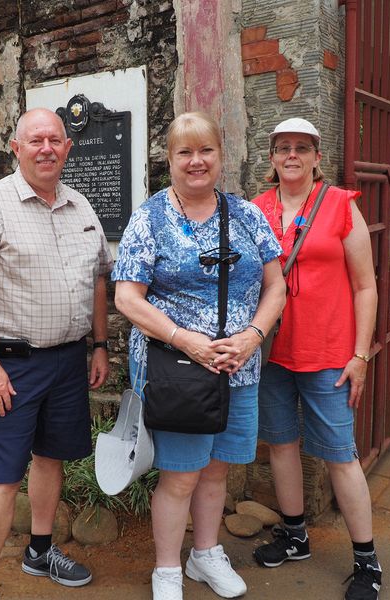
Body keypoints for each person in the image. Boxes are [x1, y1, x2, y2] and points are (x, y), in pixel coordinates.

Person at [113, 112, 286, 600]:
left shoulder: (247, 215)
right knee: (180, 475)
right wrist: (185, 339)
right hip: (178, 371)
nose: (196, 161)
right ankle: (167, 568)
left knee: (218, 470)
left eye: (205, 150)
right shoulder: (149, 218)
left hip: (239, 368)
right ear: (169, 159)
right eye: (184, 152)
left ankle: (205, 554)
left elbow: (277, 286)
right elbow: (128, 298)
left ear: (219, 155)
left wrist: (253, 335)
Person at [0, 108, 113, 600]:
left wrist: (100, 345)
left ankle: (41, 551)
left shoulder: (81, 206)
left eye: (55, 139)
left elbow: (99, 278)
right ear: (16, 149)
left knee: (50, 459)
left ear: (68, 147)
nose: (46, 147)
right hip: (11, 366)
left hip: (67, 362)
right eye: (35, 139)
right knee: (2, 476)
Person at [251, 118, 380, 600]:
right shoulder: (256, 209)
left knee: (340, 455)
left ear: (316, 156)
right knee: (282, 444)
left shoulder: (341, 206)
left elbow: (366, 285)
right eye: (282, 148)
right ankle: (295, 534)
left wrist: (361, 354)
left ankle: (367, 560)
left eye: (301, 148)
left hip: (328, 351)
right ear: (271, 157)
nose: (292, 155)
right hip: (271, 351)